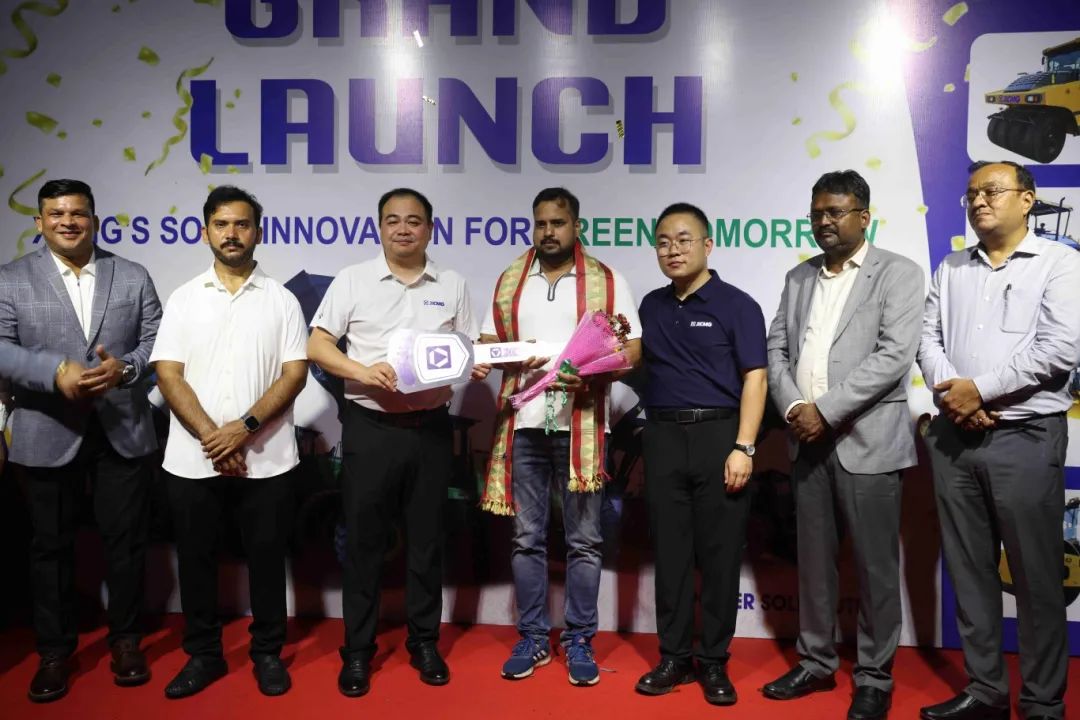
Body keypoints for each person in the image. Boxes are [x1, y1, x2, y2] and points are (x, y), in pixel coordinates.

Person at [918, 161, 1080, 720]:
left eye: (992, 190)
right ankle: (985, 691)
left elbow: (1059, 348)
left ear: (1028, 199)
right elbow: (927, 338)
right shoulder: (951, 266)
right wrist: (955, 398)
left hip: (1026, 437)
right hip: (954, 438)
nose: (979, 201)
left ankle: (1042, 703)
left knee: (1036, 578)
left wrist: (980, 391)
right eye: (972, 194)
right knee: (969, 571)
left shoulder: (1060, 263)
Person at [763, 170, 925, 720]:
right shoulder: (798, 276)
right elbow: (777, 349)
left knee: (876, 567)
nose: (824, 222)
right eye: (817, 213)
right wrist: (793, 408)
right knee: (813, 562)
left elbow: (894, 356)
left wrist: (824, 411)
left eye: (835, 212)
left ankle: (875, 676)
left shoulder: (898, 273)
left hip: (868, 441)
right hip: (805, 441)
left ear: (864, 216)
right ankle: (815, 661)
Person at [307, 188, 479, 697]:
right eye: (393, 220)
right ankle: (358, 651)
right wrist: (361, 370)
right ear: (379, 227)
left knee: (427, 543)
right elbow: (317, 343)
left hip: (430, 430)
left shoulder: (452, 283)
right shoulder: (353, 279)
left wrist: (476, 362)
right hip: (371, 429)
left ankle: (424, 642)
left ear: (430, 229)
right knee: (364, 545)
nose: (403, 229)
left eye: (414, 221)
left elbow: (470, 347)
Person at [0, 179, 161, 702]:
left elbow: (157, 341)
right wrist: (54, 372)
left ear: (94, 219)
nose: (67, 222)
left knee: (127, 544)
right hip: (46, 429)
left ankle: (127, 642)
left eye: (77, 213)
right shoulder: (11, 279)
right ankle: (54, 653)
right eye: (56, 213)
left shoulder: (132, 274)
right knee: (50, 548)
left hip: (122, 430)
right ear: (40, 222)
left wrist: (127, 369)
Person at [479, 187, 641, 687]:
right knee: (526, 538)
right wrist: (512, 353)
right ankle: (532, 636)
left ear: (577, 226)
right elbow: (487, 342)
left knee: (584, 541)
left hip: (582, 425)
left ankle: (578, 639)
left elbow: (632, 350)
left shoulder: (608, 281)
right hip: (523, 425)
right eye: (541, 223)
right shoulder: (511, 280)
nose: (548, 232)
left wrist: (591, 374)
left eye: (558, 223)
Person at [152, 186, 309, 699]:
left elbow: (294, 374)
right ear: (206, 232)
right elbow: (168, 373)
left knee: (267, 560)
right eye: (222, 224)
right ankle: (203, 655)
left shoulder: (282, 300)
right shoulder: (183, 298)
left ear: (258, 232)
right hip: (192, 459)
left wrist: (242, 429)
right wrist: (212, 438)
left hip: (267, 458)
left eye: (242, 224)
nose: (232, 233)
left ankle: (267, 653)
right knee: (196, 561)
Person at [633, 202, 767, 706]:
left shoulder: (738, 305)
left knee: (719, 556)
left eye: (684, 239)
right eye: (663, 241)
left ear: (708, 245)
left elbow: (756, 377)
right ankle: (673, 658)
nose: (673, 249)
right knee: (669, 556)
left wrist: (744, 446)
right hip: (662, 437)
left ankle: (712, 661)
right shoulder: (650, 306)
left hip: (720, 437)